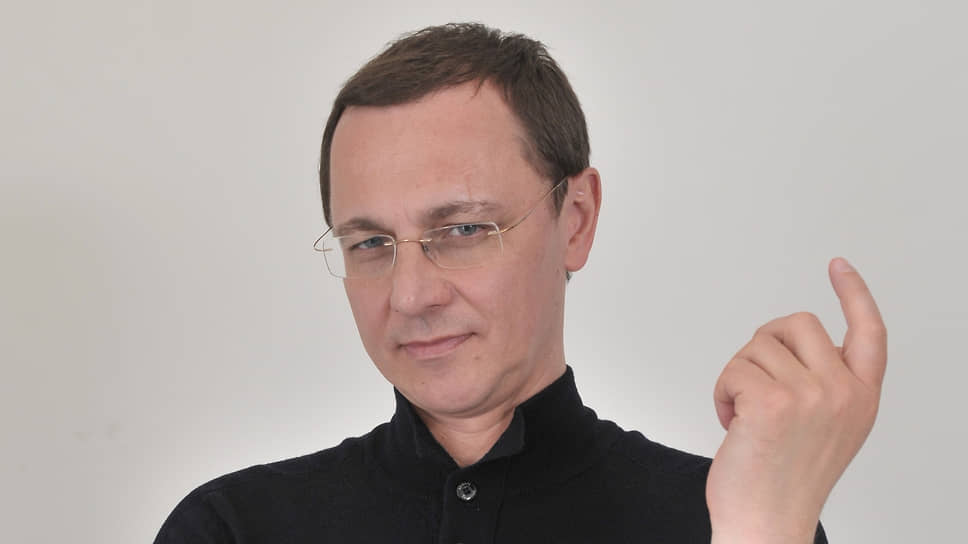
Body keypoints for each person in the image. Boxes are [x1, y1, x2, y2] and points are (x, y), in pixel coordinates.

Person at [155, 22, 886, 543]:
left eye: (463, 230)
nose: (410, 296)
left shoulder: (733, 519)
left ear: (577, 219)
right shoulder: (233, 528)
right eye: (371, 243)